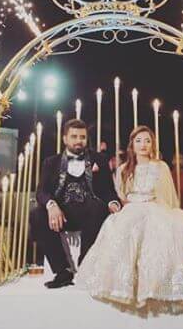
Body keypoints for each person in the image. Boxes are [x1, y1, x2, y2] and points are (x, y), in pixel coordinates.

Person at [76, 126, 183, 312]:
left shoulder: (161, 166)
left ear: (153, 145)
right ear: (132, 145)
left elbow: (168, 197)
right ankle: (125, 287)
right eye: (139, 141)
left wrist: (162, 211)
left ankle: (161, 287)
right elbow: (121, 194)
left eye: (147, 141)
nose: (143, 145)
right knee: (120, 230)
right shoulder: (123, 169)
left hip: (155, 207)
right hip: (131, 209)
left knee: (167, 233)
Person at [30, 119, 121, 289]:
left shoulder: (99, 160)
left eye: (82, 137)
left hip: (89, 214)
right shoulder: (51, 162)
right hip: (61, 214)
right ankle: (62, 271)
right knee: (36, 214)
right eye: (74, 136)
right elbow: (41, 191)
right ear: (65, 139)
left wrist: (113, 203)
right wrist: (51, 205)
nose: (79, 140)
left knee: (98, 207)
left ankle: (85, 266)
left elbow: (108, 190)